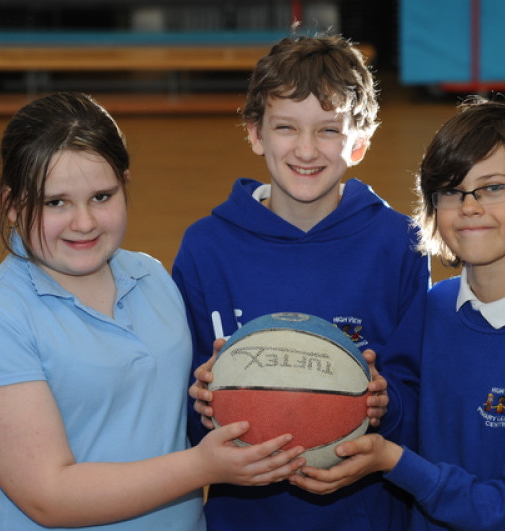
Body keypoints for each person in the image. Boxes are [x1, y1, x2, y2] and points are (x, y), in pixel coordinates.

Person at [0, 92, 306, 530]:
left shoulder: (151, 278)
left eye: (101, 196)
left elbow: (168, 412)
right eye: (56, 202)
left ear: (124, 184)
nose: (84, 222)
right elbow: (48, 497)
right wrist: (202, 467)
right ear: (13, 204)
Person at [291, 97, 505, 530]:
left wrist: (394, 462)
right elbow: (407, 421)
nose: (469, 206)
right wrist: (376, 403)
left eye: (493, 188)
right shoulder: (434, 307)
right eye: (451, 190)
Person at [172, 34, 430, 530]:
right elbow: (179, 406)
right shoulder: (207, 247)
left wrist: (385, 403)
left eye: (328, 130)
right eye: (286, 127)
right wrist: (202, 402)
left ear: (358, 142)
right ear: (255, 133)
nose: (306, 150)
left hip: (367, 515)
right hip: (243, 517)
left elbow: (419, 392)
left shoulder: (399, 243)